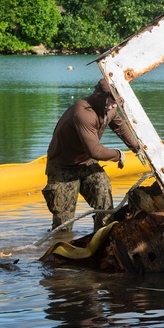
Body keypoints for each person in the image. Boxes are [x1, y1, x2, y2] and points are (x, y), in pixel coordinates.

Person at [42, 78, 144, 232]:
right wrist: (118, 155)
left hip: (86, 163)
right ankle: (59, 247)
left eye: (117, 100)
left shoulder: (109, 108)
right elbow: (95, 151)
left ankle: (103, 241)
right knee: (63, 224)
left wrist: (138, 148)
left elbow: (120, 127)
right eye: (112, 100)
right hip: (63, 168)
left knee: (105, 206)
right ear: (99, 95)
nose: (114, 105)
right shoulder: (83, 113)